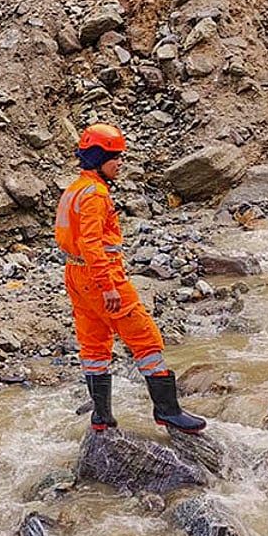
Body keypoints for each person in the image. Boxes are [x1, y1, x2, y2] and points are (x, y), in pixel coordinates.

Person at [55, 123, 207, 434]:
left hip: (75, 274)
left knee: (93, 344)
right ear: (98, 159)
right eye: (115, 157)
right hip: (100, 276)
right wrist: (107, 285)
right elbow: (92, 243)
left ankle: (101, 417)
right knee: (145, 338)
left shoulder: (74, 189)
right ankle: (167, 411)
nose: (120, 163)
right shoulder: (96, 194)